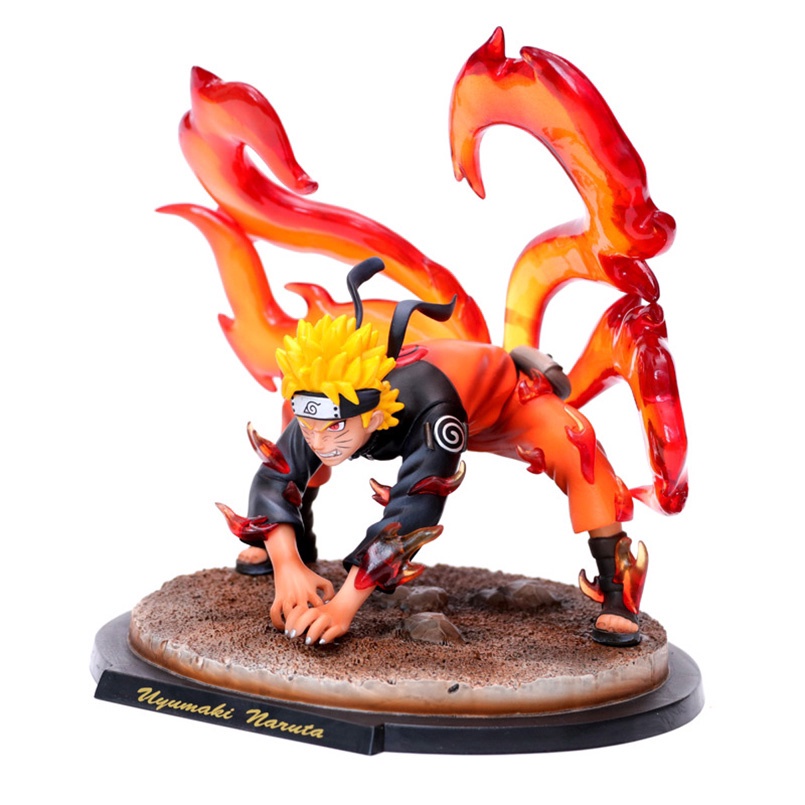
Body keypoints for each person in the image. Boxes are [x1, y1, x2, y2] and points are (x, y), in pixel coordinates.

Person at [221, 259, 646, 647]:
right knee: (294, 435)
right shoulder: (326, 403)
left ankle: (618, 591)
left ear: (373, 417)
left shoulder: (434, 414)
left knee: (576, 443)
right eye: (310, 425)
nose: (318, 441)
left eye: (333, 427)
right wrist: (287, 563)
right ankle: (294, 536)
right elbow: (275, 473)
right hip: (430, 387)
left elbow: (413, 512)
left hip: (506, 405)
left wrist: (343, 606)